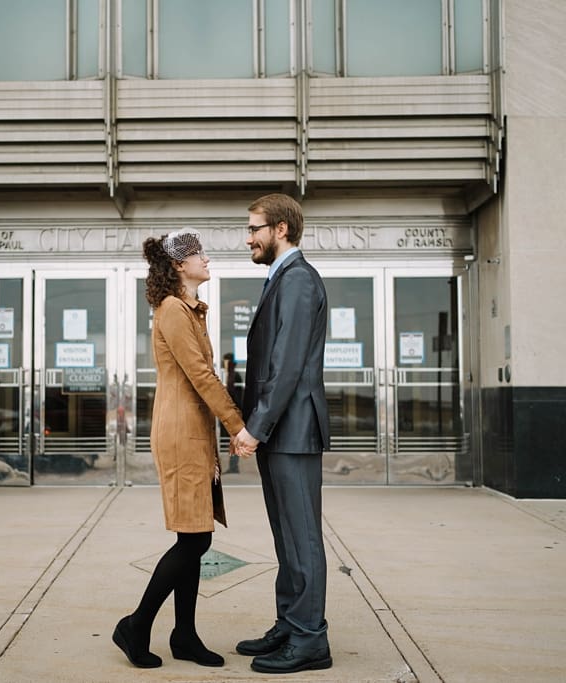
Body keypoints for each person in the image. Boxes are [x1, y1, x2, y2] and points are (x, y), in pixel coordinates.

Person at [113, 229, 246, 670]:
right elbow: (201, 376)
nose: (207, 260)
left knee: (194, 536)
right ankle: (137, 624)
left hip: (193, 431)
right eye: (199, 255)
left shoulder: (190, 310)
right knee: (194, 539)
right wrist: (238, 425)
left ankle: (184, 635)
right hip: (180, 433)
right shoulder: (173, 310)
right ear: (178, 266)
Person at [232, 193, 332, 674]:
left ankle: (310, 638)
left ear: (281, 230)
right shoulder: (283, 279)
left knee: (303, 537)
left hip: (291, 430)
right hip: (281, 433)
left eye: (254, 229)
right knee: (287, 538)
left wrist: (256, 428)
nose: (248, 238)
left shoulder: (296, 280)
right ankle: (290, 624)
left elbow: (287, 365)